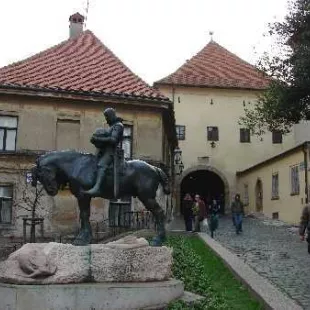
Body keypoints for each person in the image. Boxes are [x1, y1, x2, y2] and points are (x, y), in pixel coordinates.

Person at [84, 108, 124, 196]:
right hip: (104, 151)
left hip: (112, 152)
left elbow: (113, 140)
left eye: (107, 117)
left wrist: (98, 139)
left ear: (112, 116)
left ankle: (97, 188)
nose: (106, 119)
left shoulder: (118, 125)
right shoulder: (112, 126)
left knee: (101, 165)